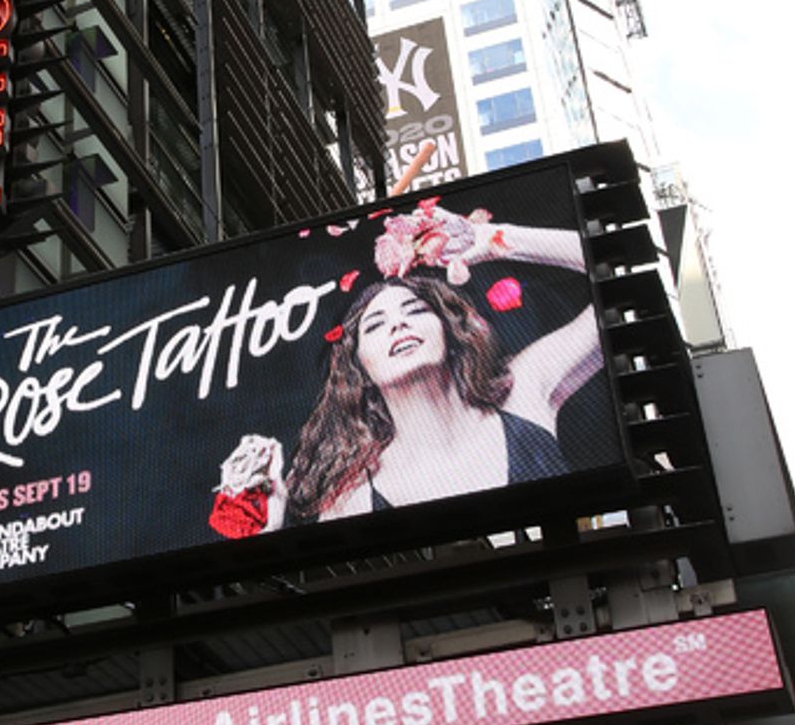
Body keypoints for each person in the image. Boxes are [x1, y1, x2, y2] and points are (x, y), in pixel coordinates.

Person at [213, 200, 603, 526]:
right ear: (358, 367)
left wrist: (494, 239)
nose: (398, 324)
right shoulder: (352, 499)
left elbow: (610, 272)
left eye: (414, 310)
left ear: (449, 330)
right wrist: (270, 534)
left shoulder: (522, 390)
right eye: (376, 325)